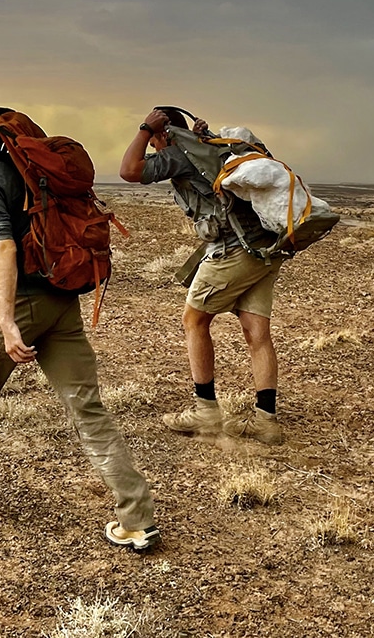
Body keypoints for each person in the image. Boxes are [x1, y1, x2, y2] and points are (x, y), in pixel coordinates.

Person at [0, 88, 160, 551]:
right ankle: (136, 517)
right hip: (62, 299)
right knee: (88, 409)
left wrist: (5, 321)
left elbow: (3, 247)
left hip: (23, 299)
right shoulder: (30, 168)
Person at [118, 107, 285, 445]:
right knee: (257, 332)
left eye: (154, 141)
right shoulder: (206, 148)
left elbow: (128, 171)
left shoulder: (178, 155)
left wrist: (144, 128)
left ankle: (205, 409)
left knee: (194, 320)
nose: (152, 148)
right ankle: (266, 420)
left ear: (163, 134)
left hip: (234, 250)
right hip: (264, 248)